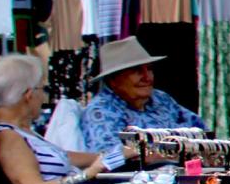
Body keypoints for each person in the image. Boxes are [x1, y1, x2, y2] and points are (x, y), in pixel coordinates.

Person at [0, 54, 107, 184]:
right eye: (43, 89)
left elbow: (62, 157)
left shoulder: (19, 130)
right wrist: (87, 174)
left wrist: (109, 156)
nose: (44, 96)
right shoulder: (9, 137)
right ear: (29, 94)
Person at [79, 37, 207, 161]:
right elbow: (111, 159)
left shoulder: (161, 98)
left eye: (149, 69)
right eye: (137, 71)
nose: (147, 77)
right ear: (113, 80)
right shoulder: (100, 112)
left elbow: (201, 130)